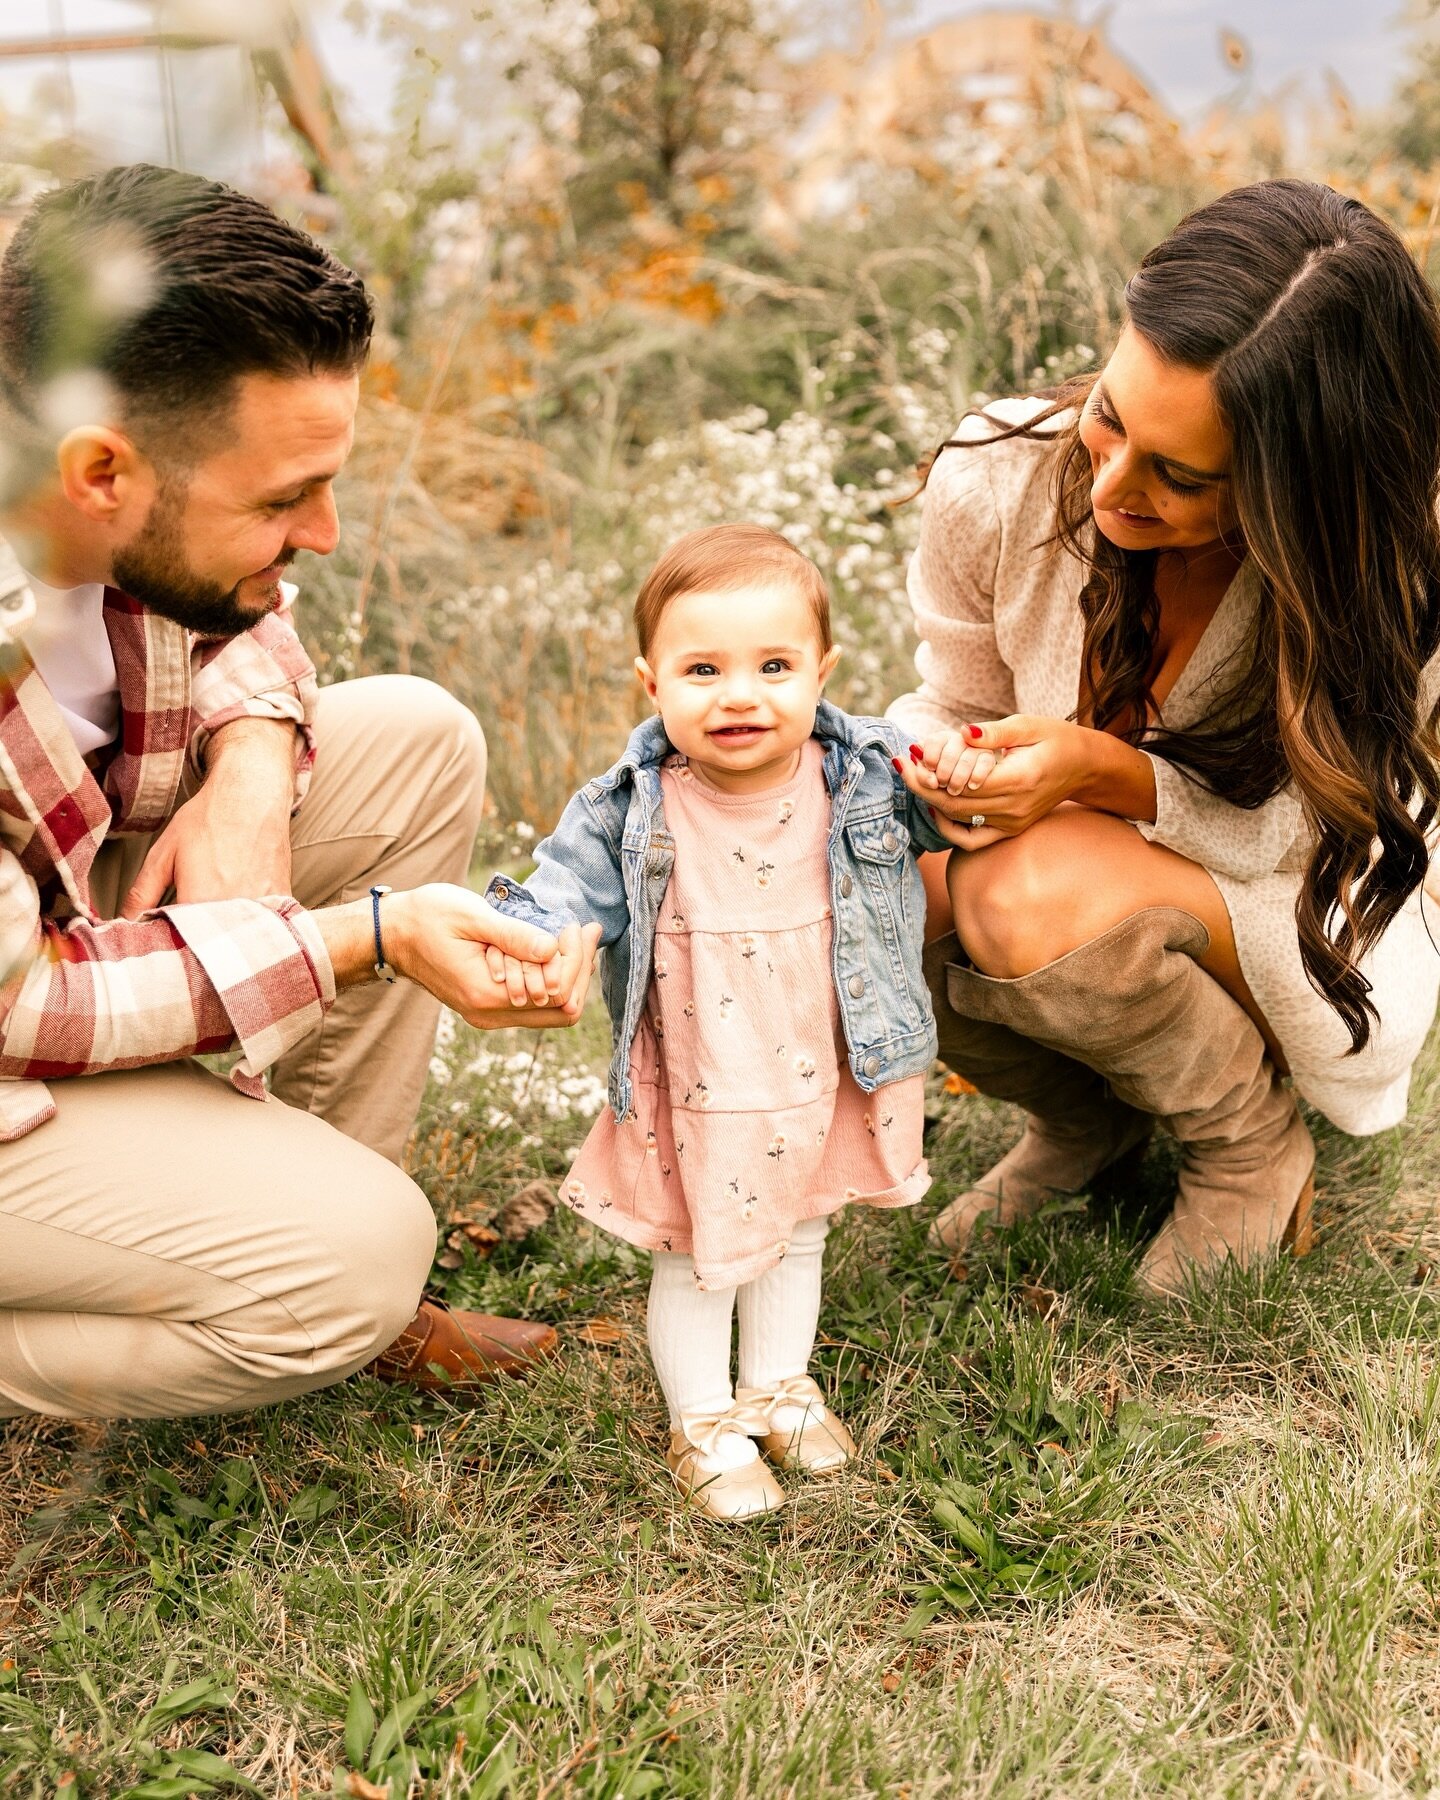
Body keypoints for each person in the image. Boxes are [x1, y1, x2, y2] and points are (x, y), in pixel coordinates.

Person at [0, 164, 600, 1421]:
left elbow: (244, 612)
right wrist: (358, 939)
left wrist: (255, 759)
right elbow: (24, 1006)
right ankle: (300, 1266)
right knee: (354, 1257)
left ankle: (274, 1192)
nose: (321, 534)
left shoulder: (82, 483)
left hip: (50, 909)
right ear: (99, 472)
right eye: (284, 499)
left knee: (415, 737)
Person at [888, 178, 1440, 1298]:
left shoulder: (1399, 569)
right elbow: (952, 698)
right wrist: (937, 770)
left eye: (1182, 478)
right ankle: (1086, 1124)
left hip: (1312, 924)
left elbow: (1319, 838)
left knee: (1024, 885)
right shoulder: (994, 473)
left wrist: (1101, 772)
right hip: (1089, 887)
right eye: (1109, 413)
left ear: (1303, 491)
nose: (1110, 484)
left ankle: (1248, 1149)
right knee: (868, 871)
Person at [482, 524, 975, 1518]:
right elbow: (560, 893)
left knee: (800, 1235)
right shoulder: (634, 806)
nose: (741, 694)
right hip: (707, 1078)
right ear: (651, 682)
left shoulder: (863, 775)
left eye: (774, 666)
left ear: (821, 671)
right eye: (703, 668)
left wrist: (963, 777)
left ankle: (777, 1389)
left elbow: (952, 806)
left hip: (826, 1064)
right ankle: (703, 1419)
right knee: (703, 1256)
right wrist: (514, 940)